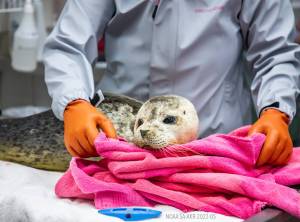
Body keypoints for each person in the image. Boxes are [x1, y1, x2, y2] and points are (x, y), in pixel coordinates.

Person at [43, 0, 300, 166]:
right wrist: (74, 102)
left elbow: (275, 53)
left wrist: (275, 111)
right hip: (122, 143)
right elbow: (68, 46)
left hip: (213, 146)